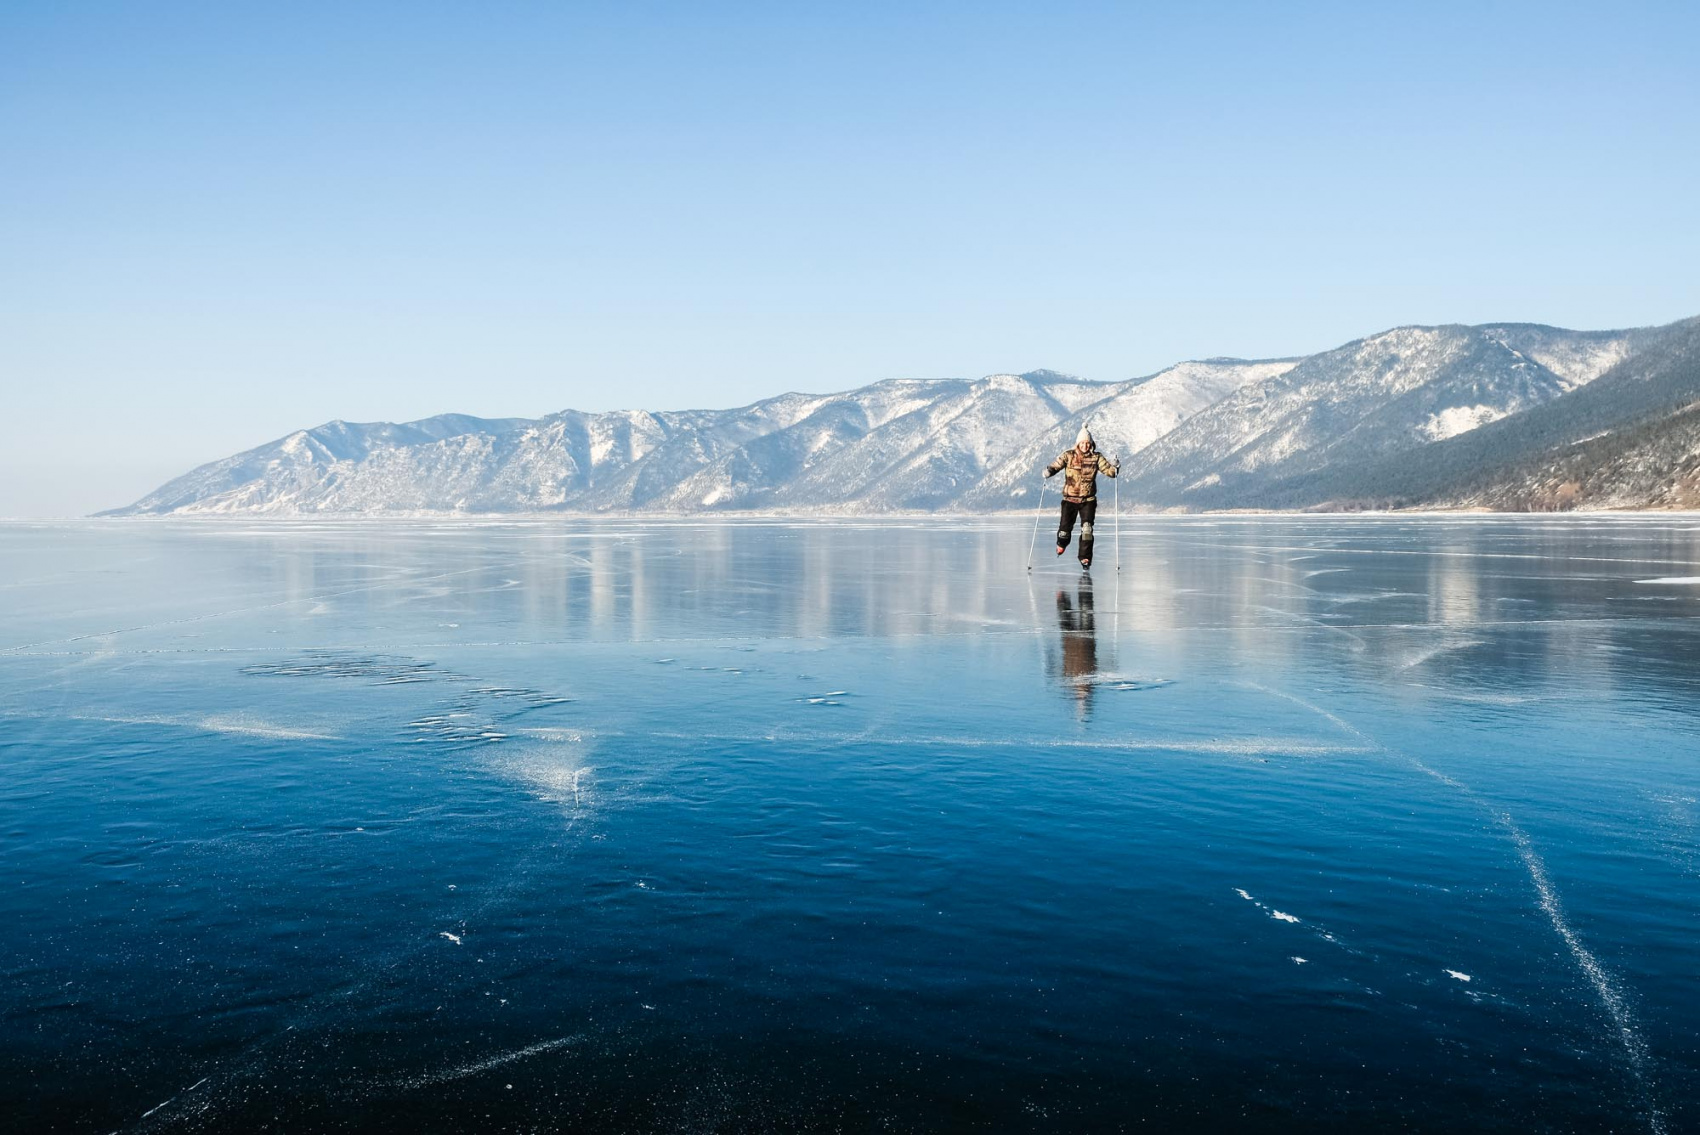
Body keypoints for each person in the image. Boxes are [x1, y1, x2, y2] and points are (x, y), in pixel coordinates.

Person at [1044, 426, 1118, 568]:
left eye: (1087, 443)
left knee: (1087, 529)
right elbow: (1056, 465)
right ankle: (1062, 543)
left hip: (1088, 501)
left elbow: (1110, 471)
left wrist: (1115, 468)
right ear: (1077, 443)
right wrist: (1049, 471)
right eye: (1082, 443)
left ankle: (1085, 558)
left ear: (1091, 444)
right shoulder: (1068, 455)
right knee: (1065, 530)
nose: (1085, 445)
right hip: (1069, 499)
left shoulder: (1097, 457)